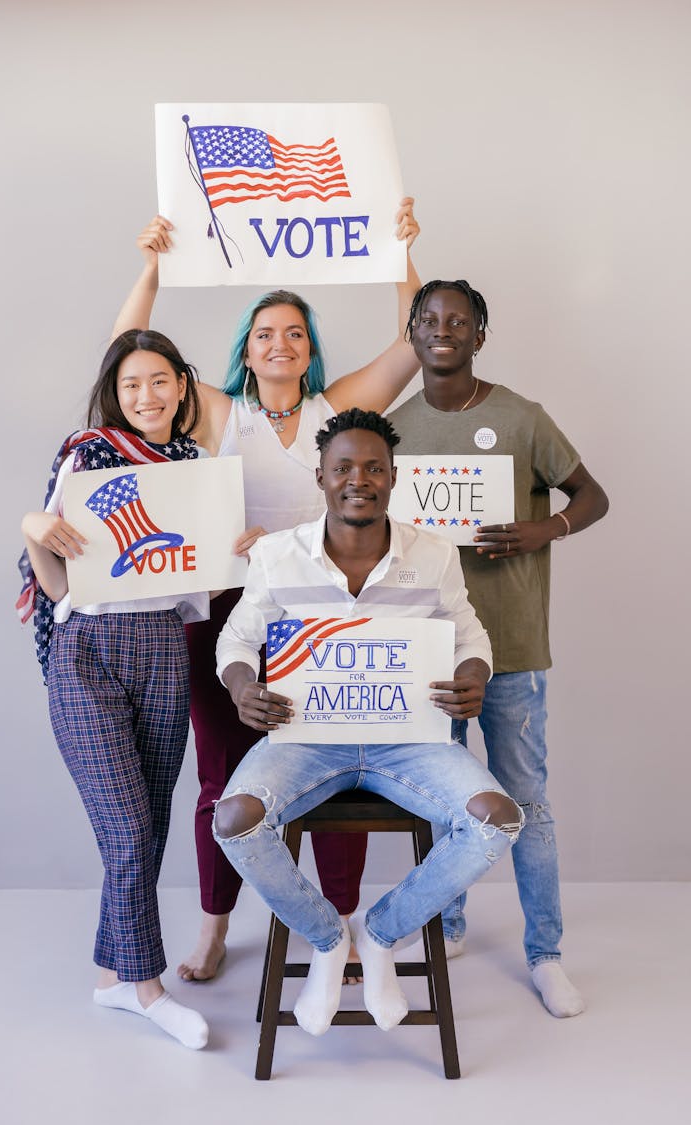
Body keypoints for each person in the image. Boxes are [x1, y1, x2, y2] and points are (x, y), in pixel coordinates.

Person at [112, 203, 421, 982]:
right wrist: (150, 269)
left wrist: (402, 254)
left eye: (293, 331)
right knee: (221, 777)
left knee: (333, 769)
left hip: (323, 617)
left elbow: (413, 345)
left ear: (310, 348)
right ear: (244, 352)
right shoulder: (219, 410)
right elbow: (126, 355)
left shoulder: (338, 408)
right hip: (223, 620)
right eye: (264, 332)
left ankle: (342, 922)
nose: (279, 342)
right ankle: (216, 927)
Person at [211, 409, 523, 1036]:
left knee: (497, 819)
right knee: (234, 820)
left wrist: (474, 676)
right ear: (322, 479)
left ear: (394, 476)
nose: (360, 479)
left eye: (374, 468)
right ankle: (329, 939)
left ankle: (381, 933)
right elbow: (236, 643)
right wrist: (244, 687)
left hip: (405, 741)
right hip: (307, 738)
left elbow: (470, 634)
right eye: (344, 468)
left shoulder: (432, 555)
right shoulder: (277, 556)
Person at [389, 280, 609, 1017]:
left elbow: (591, 495)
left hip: (512, 646)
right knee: (444, 802)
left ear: (479, 335)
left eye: (458, 320)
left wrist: (544, 529)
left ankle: (545, 955)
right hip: (428, 651)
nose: (442, 329)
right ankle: (446, 925)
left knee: (525, 802)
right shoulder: (392, 427)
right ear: (413, 333)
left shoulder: (521, 417)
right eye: (429, 319)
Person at [17, 330, 213, 1050]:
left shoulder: (195, 466)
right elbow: (56, 581)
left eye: (160, 381)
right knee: (127, 831)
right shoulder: (90, 453)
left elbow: (198, 583)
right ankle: (148, 988)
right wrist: (34, 526)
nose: (146, 396)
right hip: (89, 651)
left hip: (164, 643)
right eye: (132, 384)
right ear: (115, 391)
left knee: (149, 824)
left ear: (182, 386)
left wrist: (236, 546)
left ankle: (110, 977)